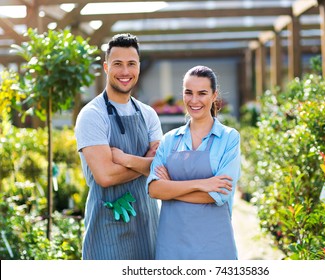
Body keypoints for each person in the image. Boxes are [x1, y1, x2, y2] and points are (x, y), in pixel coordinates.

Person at [74, 33, 162, 260]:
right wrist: (146, 164)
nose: (125, 72)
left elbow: (161, 167)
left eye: (131, 64)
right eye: (118, 64)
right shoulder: (92, 115)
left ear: (139, 67)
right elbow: (105, 176)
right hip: (107, 228)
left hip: (147, 225)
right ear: (106, 67)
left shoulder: (148, 114)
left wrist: (123, 159)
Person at [146, 65, 241, 260]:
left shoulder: (229, 138)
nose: (194, 100)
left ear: (214, 96)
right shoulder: (170, 139)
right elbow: (154, 190)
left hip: (214, 245)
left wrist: (171, 188)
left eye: (202, 93)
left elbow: (218, 195)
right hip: (172, 244)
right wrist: (202, 184)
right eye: (188, 93)